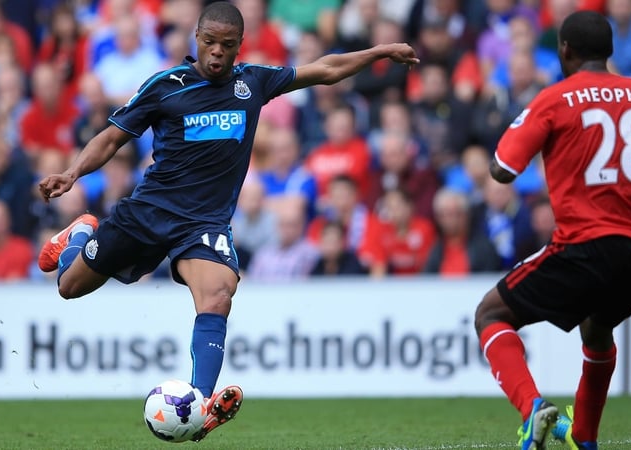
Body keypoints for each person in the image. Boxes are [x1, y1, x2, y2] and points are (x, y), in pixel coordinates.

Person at [35, 1, 418, 442]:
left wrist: (380, 50)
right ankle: (80, 232)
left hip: (203, 223)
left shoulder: (252, 83)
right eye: (210, 42)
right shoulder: (166, 86)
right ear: (195, 39)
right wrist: (72, 173)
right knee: (68, 287)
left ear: (240, 46)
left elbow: (325, 70)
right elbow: (111, 137)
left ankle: (199, 402)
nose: (217, 52)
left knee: (218, 294)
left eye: (227, 45)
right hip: (148, 213)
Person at [472, 11, 631, 450]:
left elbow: (501, 171)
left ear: (564, 50)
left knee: (491, 314)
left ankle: (532, 408)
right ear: (609, 51)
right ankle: (584, 438)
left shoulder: (554, 99)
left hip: (587, 245)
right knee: (597, 327)